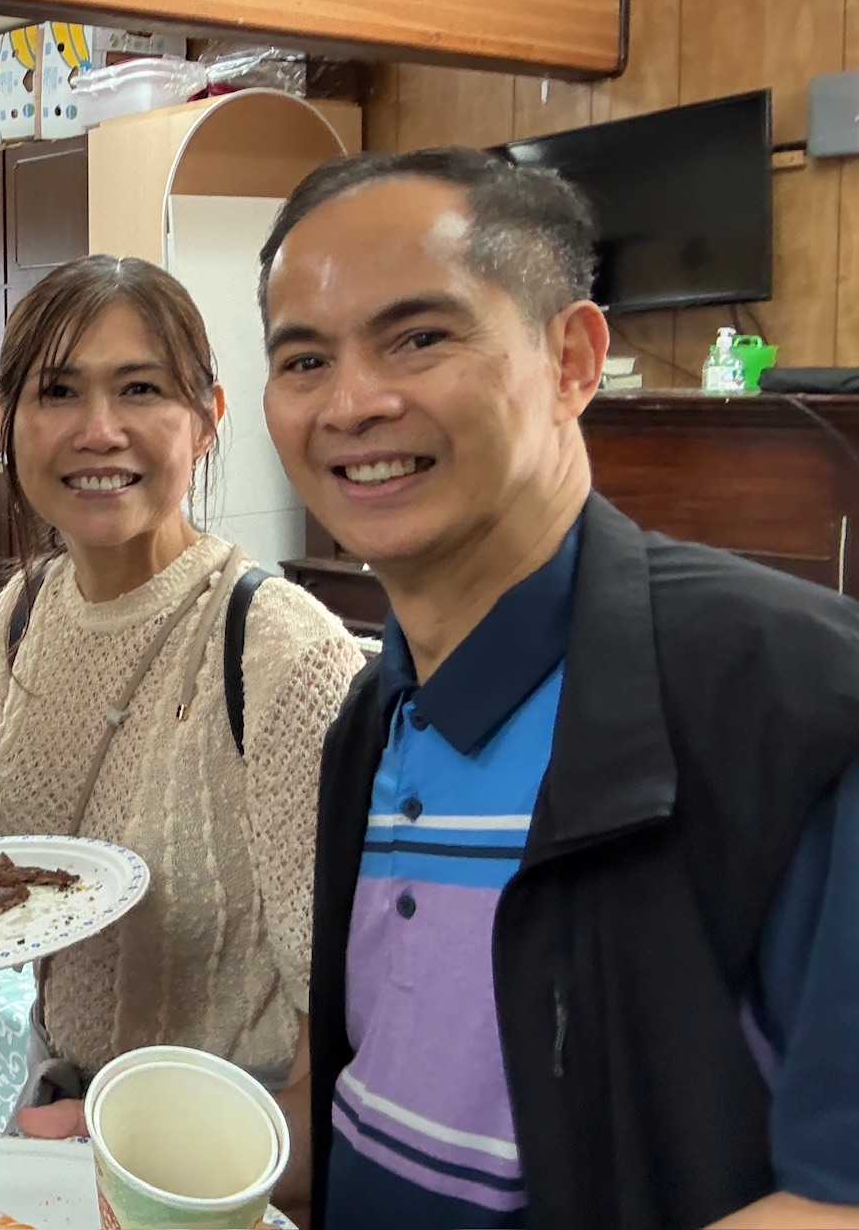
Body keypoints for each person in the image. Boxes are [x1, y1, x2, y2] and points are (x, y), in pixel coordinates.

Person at [257, 147, 859, 1230]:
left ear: (572, 359)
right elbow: (363, 1109)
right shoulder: (369, 722)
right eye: (302, 361)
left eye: (418, 337)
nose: (348, 403)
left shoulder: (792, 693)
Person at [0, 255, 362, 1217]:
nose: (99, 430)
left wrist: (163, 1168)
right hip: (60, 1104)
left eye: (140, 388)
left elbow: (340, 1031)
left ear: (208, 415)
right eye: (58, 391)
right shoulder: (28, 611)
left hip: (215, 1162)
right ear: (4, 422)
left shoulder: (279, 650)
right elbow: (32, 841)